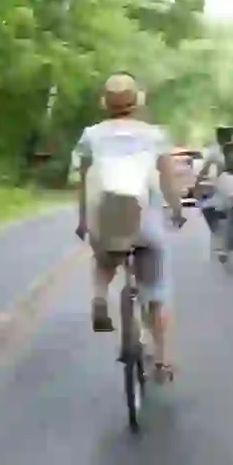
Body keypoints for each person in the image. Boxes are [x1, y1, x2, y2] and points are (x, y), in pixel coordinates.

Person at [74, 72, 186, 382]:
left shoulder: (91, 136)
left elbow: (85, 181)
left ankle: (99, 296)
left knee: (104, 259)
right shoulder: (154, 135)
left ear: (106, 105)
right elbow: (167, 180)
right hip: (146, 222)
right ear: (135, 103)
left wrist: (83, 219)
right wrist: (176, 210)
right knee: (156, 292)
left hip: (107, 217)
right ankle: (162, 360)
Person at [199, 143, 233, 259]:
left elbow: (217, 194)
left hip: (226, 207)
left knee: (205, 206)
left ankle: (217, 233)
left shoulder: (222, 178)